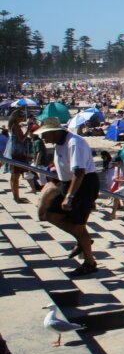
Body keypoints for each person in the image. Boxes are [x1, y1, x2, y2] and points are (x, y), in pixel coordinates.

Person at [35, 118, 101, 276]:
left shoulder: (73, 143)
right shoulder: (59, 143)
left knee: (79, 225)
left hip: (82, 185)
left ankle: (90, 262)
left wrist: (70, 196)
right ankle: (82, 240)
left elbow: (79, 172)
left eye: (45, 134)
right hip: (67, 183)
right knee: (49, 215)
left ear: (55, 132)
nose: (42, 138)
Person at [5, 110, 31, 203]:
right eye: (21, 116)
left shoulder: (13, 126)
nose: (23, 118)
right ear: (17, 117)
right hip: (17, 154)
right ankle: (17, 197)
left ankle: (15, 196)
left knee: (13, 177)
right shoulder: (16, 126)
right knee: (16, 177)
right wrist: (28, 130)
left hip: (14, 153)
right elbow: (21, 139)